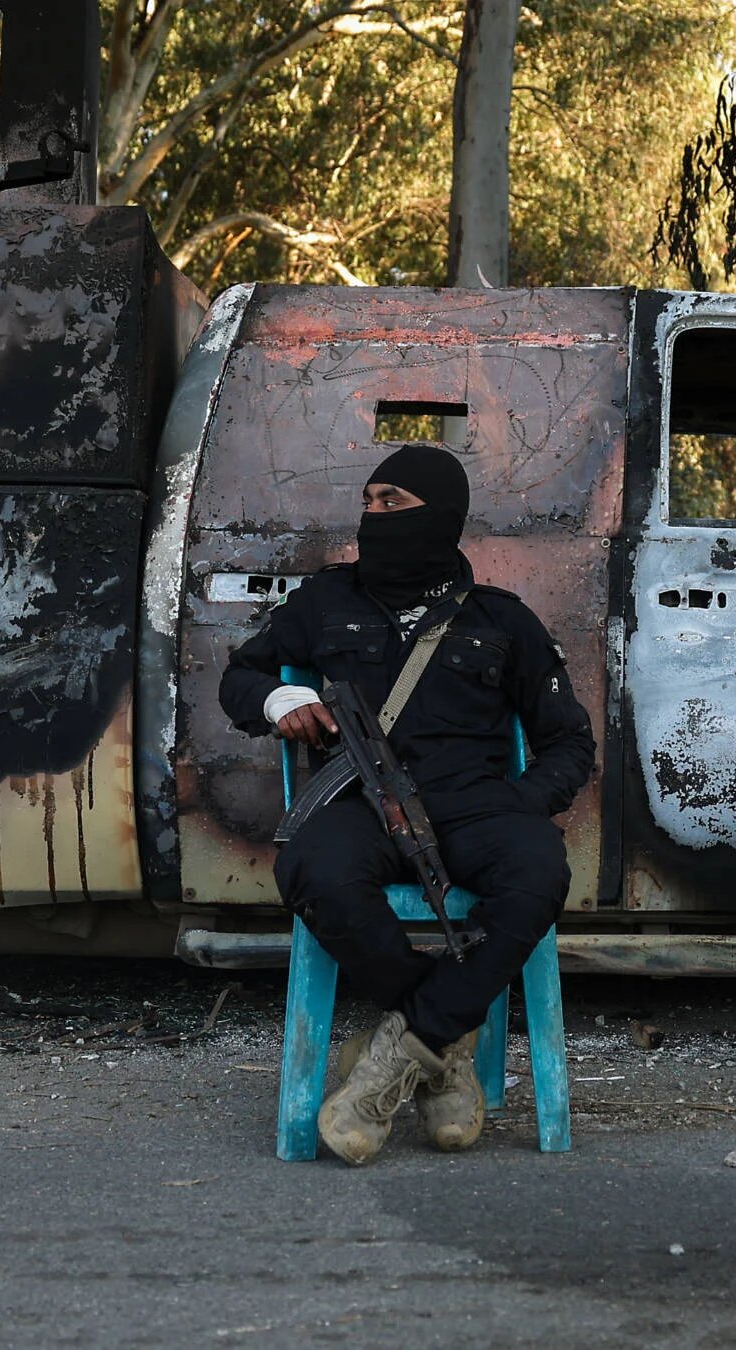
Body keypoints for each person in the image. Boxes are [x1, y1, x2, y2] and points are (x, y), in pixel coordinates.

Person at [220, 442, 596, 1165]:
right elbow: (242, 676)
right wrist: (281, 698)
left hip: (474, 805)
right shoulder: (325, 602)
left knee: (539, 867)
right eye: (368, 501)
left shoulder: (503, 620)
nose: (372, 515)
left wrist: (519, 806)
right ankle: (443, 1044)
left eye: (392, 501)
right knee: (312, 868)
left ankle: (399, 1050)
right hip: (361, 802)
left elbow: (569, 745)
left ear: (441, 514)